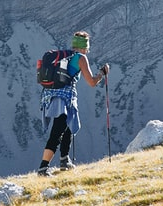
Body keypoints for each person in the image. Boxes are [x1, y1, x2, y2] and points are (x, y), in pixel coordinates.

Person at [37, 31, 109, 176]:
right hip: (65, 98)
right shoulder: (80, 58)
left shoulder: (65, 55)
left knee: (68, 126)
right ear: (84, 47)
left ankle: (64, 160)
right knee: (58, 131)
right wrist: (102, 73)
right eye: (87, 47)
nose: (88, 51)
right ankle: (43, 168)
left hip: (50, 96)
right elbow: (92, 82)